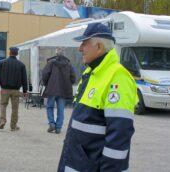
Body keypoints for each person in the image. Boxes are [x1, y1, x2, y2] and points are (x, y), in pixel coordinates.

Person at [57, 23, 138, 172]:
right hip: (77, 163)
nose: (80, 48)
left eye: (84, 43)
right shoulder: (91, 73)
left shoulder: (117, 76)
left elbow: (119, 136)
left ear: (99, 47)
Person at [42, 48, 76, 134]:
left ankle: (52, 124)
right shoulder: (68, 64)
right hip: (64, 90)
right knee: (60, 109)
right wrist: (68, 84)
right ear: (64, 55)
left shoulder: (51, 63)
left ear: (56, 54)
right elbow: (73, 78)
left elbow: (45, 74)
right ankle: (58, 128)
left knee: (49, 107)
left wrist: (47, 84)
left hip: (52, 89)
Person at [0, 47, 28, 131]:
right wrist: (25, 91)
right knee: (15, 108)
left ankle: (2, 121)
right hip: (16, 90)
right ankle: (13, 126)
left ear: (9, 53)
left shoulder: (2, 63)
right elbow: (24, 79)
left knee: (3, 105)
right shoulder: (21, 65)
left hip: (5, 89)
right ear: (17, 54)